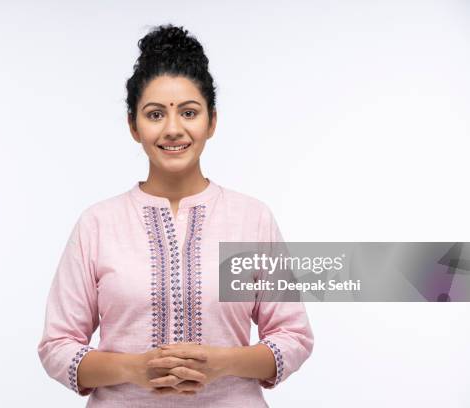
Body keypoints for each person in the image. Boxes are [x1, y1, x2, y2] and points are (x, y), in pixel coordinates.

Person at [37, 23, 314, 407]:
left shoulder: (252, 219)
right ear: (133, 126)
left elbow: (293, 336)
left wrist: (223, 362)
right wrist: (134, 369)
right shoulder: (98, 224)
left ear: (211, 122)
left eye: (188, 112)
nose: (173, 129)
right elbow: (57, 345)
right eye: (154, 115)